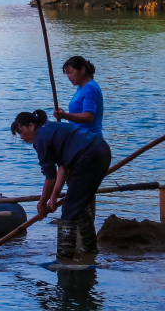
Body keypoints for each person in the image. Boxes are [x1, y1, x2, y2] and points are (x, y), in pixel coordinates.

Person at [12, 109, 111, 260]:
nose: (22, 137)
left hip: (88, 157)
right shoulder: (49, 127)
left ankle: (64, 257)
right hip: (101, 150)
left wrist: (42, 203)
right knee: (81, 204)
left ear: (31, 126)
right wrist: (53, 197)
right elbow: (63, 167)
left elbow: (50, 177)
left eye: (21, 131)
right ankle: (90, 250)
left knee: (69, 210)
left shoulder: (41, 139)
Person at [54, 56, 103, 138]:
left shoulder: (90, 88)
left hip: (89, 139)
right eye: (67, 74)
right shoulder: (82, 87)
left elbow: (89, 117)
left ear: (82, 70)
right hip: (81, 138)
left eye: (71, 72)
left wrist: (65, 115)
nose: (69, 76)